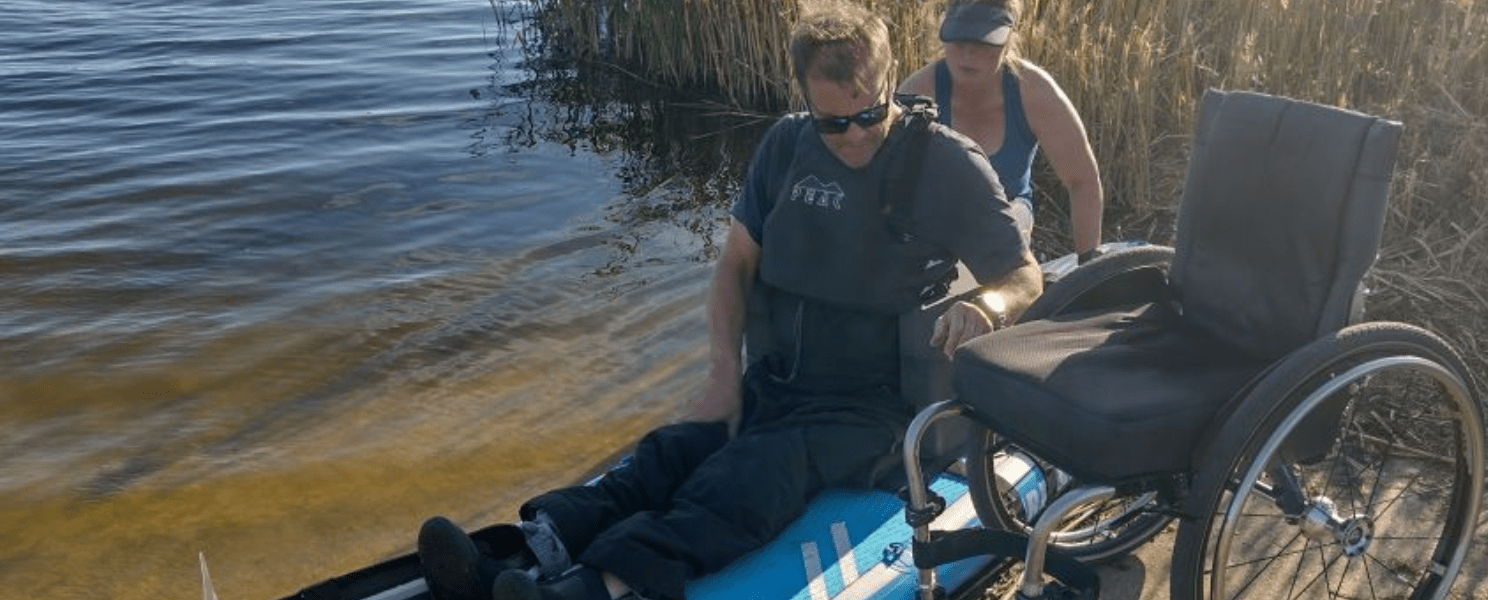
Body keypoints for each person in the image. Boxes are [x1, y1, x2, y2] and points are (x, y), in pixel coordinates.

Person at [414, 2, 1043, 599]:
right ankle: (527, 550)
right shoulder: (784, 147)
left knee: (752, 473)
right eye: (831, 123)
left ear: (887, 82)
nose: (851, 137)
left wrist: (986, 305)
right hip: (782, 376)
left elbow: (1024, 274)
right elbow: (735, 265)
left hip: (874, 406)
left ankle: (597, 586)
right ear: (801, 97)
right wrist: (723, 375)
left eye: (866, 116)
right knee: (674, 450)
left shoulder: (948, 163)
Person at [898, 0, 1104, 260]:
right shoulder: (917, 94)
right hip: (935, 226)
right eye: (959, 38)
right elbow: (884, 186)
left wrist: (1088, 265)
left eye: (984, 40)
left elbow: (1082, 180)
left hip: (1008, 220)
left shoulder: (1034, 91)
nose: (968, 52)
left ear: (1008, 39)